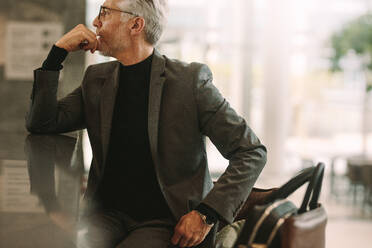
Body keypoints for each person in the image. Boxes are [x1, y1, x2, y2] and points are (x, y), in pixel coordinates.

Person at [25, 0, 267, 247]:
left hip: (166, 221)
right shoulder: (97, 79)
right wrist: (57, 54)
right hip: (104, 216)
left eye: (105, 13)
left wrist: (206, 214)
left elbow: (251, 152)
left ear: (136, 24)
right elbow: (43, 122)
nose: (95, 22)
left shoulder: (189, 82)